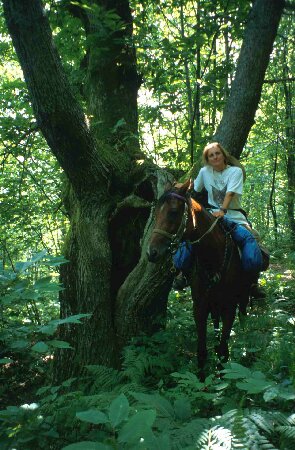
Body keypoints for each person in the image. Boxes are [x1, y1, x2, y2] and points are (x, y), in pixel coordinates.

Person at [174, 142, 267, 298]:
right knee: (191, 236)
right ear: (207, 159)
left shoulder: (235, 171)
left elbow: (230, 193)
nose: (215, 157)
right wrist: (177, 185)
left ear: (223, 155)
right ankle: (182, 275)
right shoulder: (204, 172)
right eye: (211, 155)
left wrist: (222, 210)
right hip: (211, 215)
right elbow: (194, 188)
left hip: (233, 215)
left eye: (217, 153)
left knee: (250, 238)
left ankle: (252, 282)